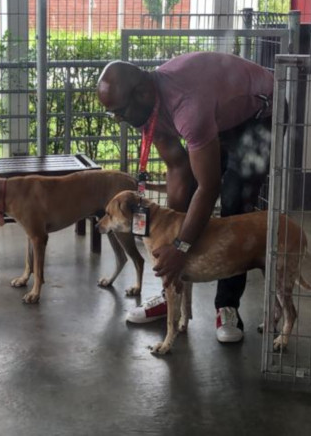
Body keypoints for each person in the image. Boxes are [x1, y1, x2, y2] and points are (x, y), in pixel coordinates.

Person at [96, 52, 275, 343]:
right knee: (184, 224)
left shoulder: (187, 106)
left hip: (258, 114)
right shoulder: (146, 110)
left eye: (120, 111)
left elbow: (207, 187)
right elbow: (178, 168)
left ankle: (227, 305)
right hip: (219, 111)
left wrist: (180, 247)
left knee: (234, 201)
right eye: (112, 113)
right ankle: (172, 298)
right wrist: (169, 239)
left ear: (141, 94)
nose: (118, 119)